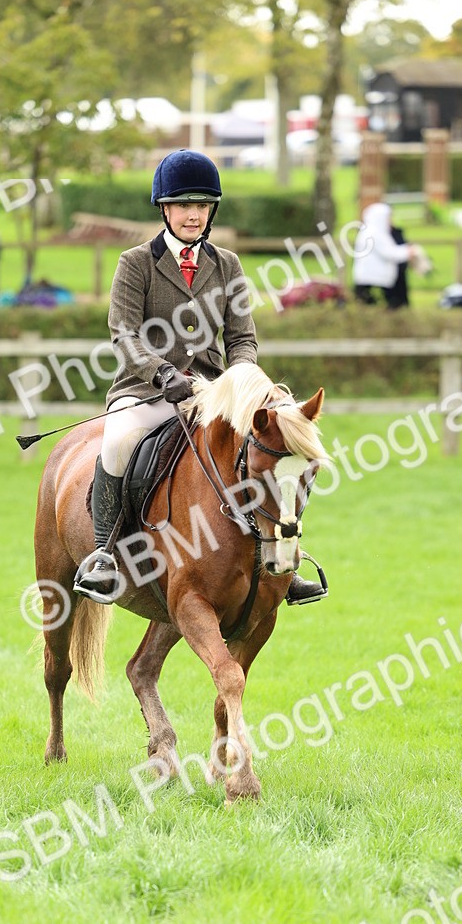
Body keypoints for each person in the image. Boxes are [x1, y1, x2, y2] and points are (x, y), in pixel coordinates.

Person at [74, 148, 325, 607]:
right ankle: (105, 554)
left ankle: (283, 558)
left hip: (212, 394)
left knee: (271, 452)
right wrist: (161, 372)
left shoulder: (227, 264)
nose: (194, 215)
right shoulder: (135, 262)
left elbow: (242, 338)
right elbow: (124, 334)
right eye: (184, 205)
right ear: (164, 209)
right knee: (119, 440)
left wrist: (243, 380)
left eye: (202, 206)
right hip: (146, 390)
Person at [353, 203, 419, 309]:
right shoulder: (373, 233)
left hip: (377, 279)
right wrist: (408, 252)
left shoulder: (376, 232)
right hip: (373, 280)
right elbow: (388, 252)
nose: (390, 220)